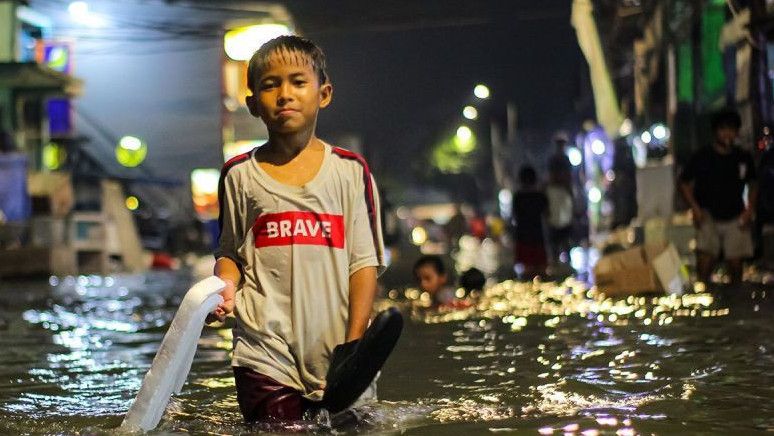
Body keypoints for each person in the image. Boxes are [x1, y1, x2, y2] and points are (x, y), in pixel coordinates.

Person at [210, 35, 387, 423]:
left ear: (323, 94)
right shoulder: (239, 175)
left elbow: (364, 265)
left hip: (339, 348)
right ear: (253, 103)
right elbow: (231, 254)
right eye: (270, 85)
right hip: (263, 350)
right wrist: (222, 289)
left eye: (297, 82)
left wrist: (354, 347)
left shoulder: (351, 172)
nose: (284, 94)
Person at [678, 108, 757, 284]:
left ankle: (736, 302)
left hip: (735, 214)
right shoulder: (702, 156)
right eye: (723, 129)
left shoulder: (742, 157)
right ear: (715, 132)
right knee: (705, 262)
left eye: (732, 129)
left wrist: (749, 210)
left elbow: (753, 184)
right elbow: (683, 183)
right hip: (708, 215)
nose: (727, 134)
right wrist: (695, 208)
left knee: (736, 265)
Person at [512, 165, 548, 278]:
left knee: (526, 272)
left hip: (523, 236)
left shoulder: (518, 197)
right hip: (537, 235)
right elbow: (547, 214)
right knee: (541, 271)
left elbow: (515, 215)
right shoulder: (540, 196)